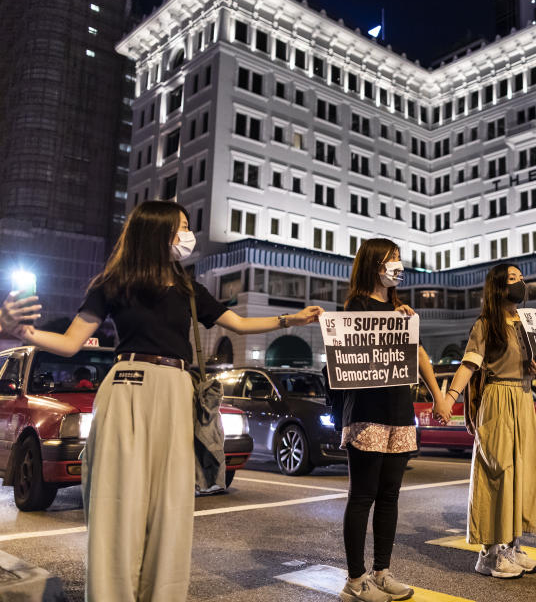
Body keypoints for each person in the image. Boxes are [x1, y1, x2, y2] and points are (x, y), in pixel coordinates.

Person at [0, 201, 323, 602]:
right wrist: (22, 331)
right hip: (126, 387)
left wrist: (291, 320)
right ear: (157, 230)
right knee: (116, 498)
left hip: (176, 388)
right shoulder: (114, 282)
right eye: (182, 226)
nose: (189, 235)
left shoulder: (188, 287)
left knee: (171, 503)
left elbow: (237, 323)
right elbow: (70, 342)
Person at [339, 238, 452, 602]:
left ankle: (382, 572)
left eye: (400, 259)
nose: (398, 266)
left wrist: (438, 396)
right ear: (374, 265)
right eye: (392, 259)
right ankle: (355, 580)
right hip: (368, 413)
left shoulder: (405, 310)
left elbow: (420, 356)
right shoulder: (356, 306)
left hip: (400, 412)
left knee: (390, 495)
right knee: (363, 496)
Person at [442, 263, 536, 579]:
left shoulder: (526, 323)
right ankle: (489, 554)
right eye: (513, 279)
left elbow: (531, 362)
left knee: (523, 474)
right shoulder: (486, 324)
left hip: (524, 397)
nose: (520, 283)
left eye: (521, 278)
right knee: (497, 473)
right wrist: (449, 398)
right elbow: (469, 364)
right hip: (498, 399)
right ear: (499, 286)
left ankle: (512, 547)